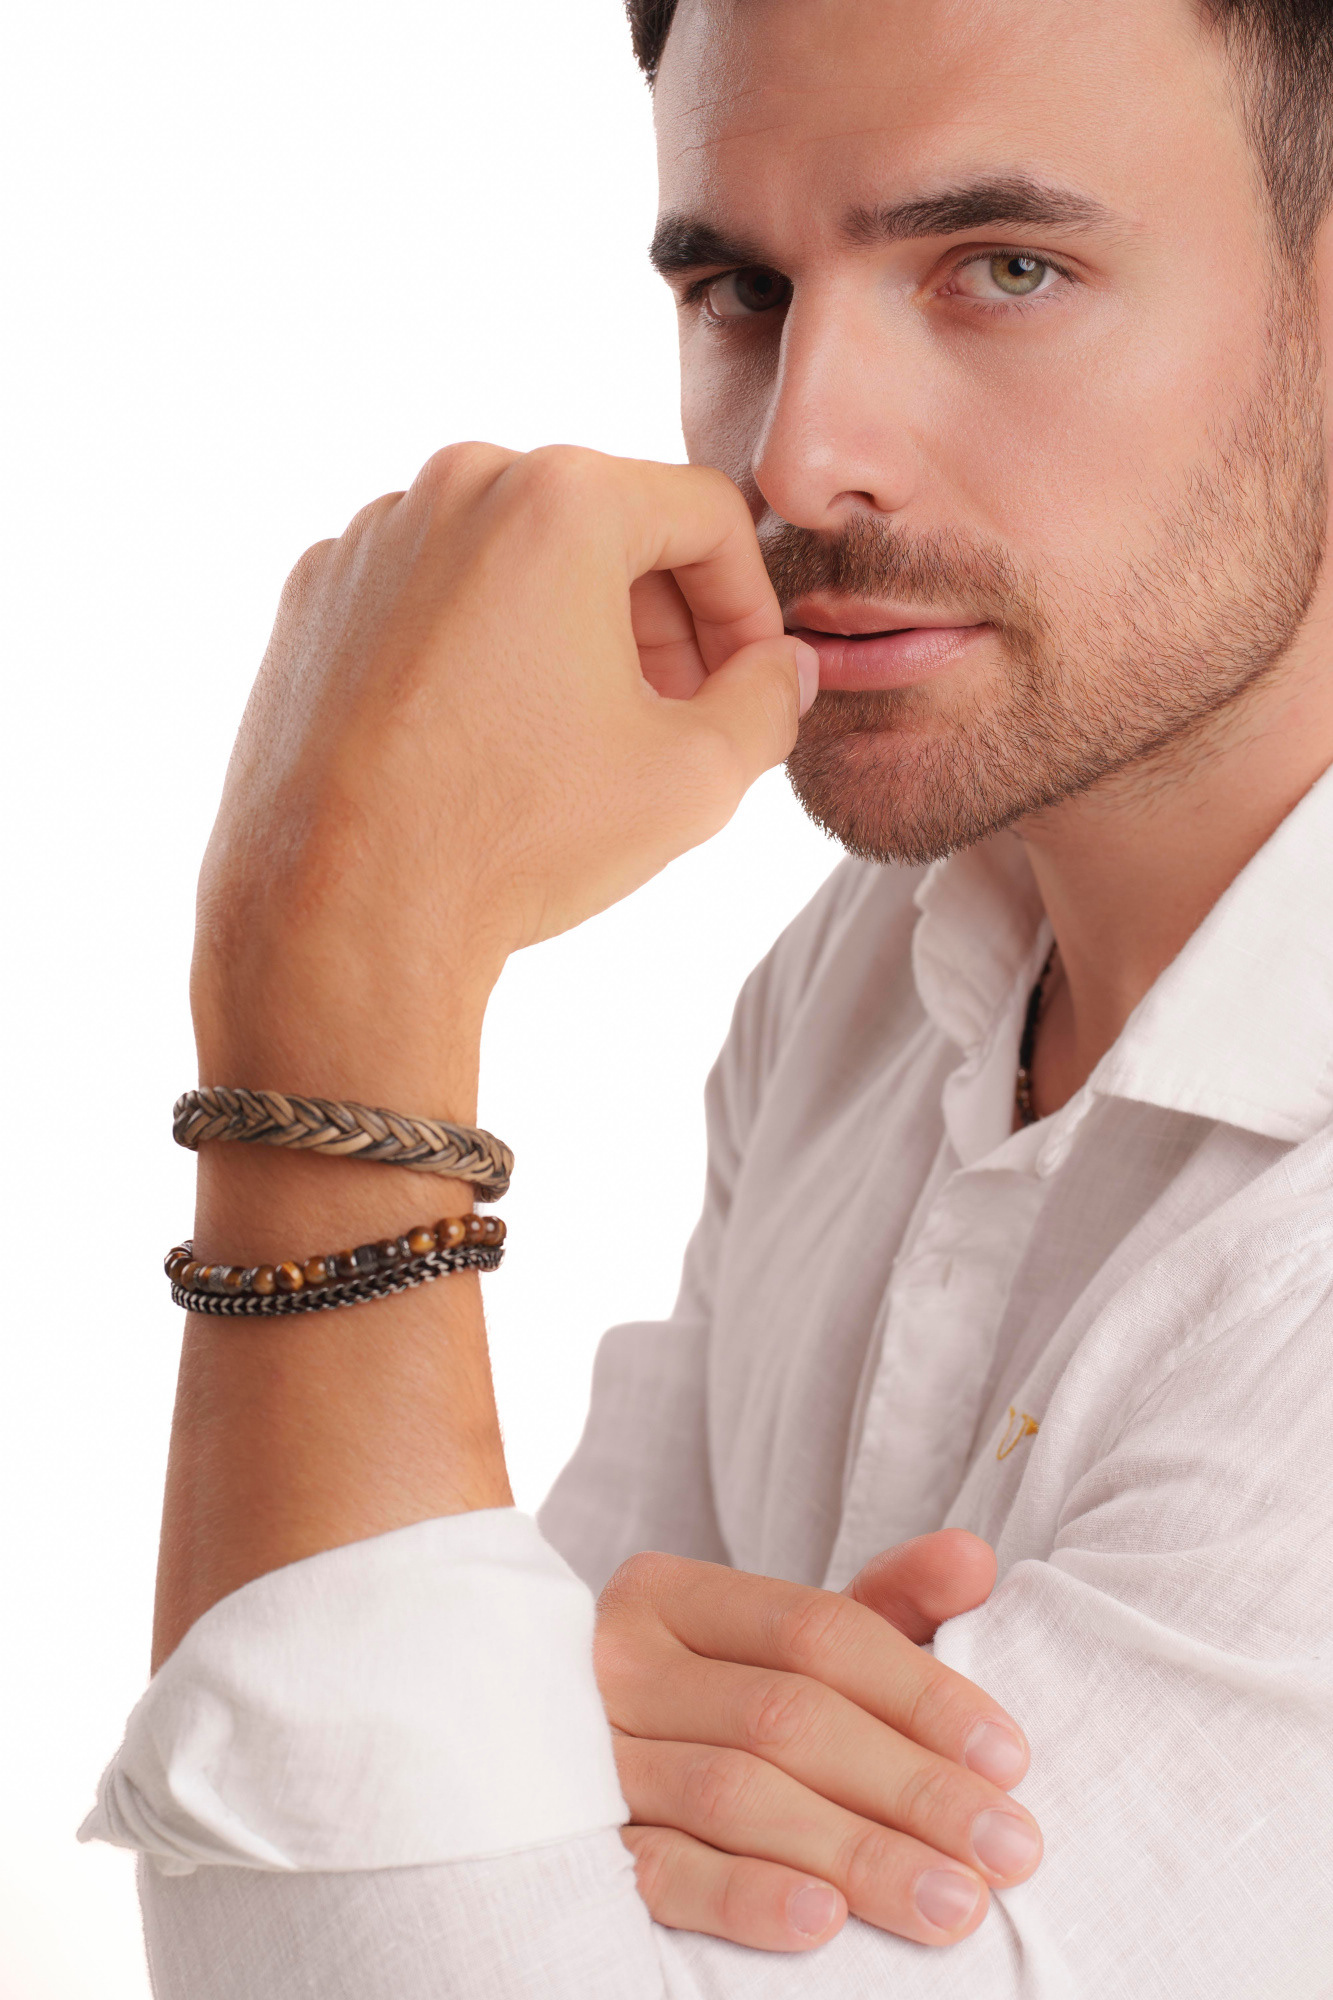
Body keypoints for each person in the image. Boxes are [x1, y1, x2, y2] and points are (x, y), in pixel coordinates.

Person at [83, 0, 1333, 1992]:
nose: (796, 456)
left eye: (1003, 268)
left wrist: (334, 978)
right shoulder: (867, 982)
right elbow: (468, 1845)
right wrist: (520, 1758)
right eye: (740, 289)